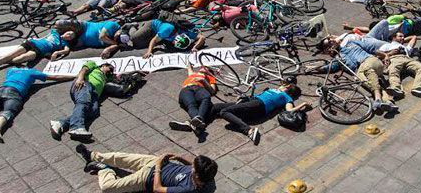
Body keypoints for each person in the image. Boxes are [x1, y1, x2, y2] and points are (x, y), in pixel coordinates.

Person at [77, 146, 218, 193]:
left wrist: (157, 168)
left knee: (107, 187)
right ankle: (92, 155)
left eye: (193, 169)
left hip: (147, 177)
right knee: (121, 157)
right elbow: (192, 165)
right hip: (158, 162)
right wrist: (179, 158)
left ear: (197, 177)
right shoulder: (208, 174)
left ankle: (105, 169)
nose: (191, 167)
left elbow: (157, 189)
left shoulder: (187, 190)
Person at [211, 81, 309, 145]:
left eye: (284, 84)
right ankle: (199, 119)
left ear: (287, 87)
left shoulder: (286, 97)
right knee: (217, 107)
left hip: (259, 106)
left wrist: (303, 104)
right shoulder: (274, 90)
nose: (281, 84)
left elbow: (289, 110)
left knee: (224, 111)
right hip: (252, 102)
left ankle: (249, 131)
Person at [50, 60, 115, 140]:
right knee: (84, 102)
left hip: (94, 94)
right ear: (104, 65)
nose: (111, 72)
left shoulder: (105, 78)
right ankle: (76, 127)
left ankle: (60, 124)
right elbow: (84, 69)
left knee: (93, 111)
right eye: (110, 68)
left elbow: (118, 77)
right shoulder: (94, 65)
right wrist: (80, 78)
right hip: (85, 84)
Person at [0, 29, 76, 80]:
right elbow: (43, 36)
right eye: (69, 33)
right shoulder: (55, 32)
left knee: (19, 59)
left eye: (71, 36)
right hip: (32, 43)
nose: (69, 35)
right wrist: (34, 38)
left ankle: (2, 62)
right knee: (10, 55)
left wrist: (57, 52)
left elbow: (67, 50)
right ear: (66, 31)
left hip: (39, 51)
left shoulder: (64, 43)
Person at [380, 32, 421, 99]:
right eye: (400, 36)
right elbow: (377, 54)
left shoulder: (405, 48)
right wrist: (390, 53)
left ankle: (418, 88)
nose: (403, 38)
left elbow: (414, 37)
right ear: (394, 37)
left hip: (407, 59)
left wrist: (404, 39)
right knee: (393, 70)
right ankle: (396, 88)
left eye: (403, 37)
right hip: (395, 58)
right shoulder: (387, 45)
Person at [169, 62, 217, 134]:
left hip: (199, 88)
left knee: (206, 97)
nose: (203, 67)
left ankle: (192, 122)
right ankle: (196, 123)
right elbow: (189, 67)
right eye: (203, 67)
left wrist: (203, 81)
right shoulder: (193, 74)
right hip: (186, 89)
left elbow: (212, 91)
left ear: (209, 72)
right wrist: (190, 61)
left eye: (206, 67)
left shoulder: (210, 78)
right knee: (191, 104)